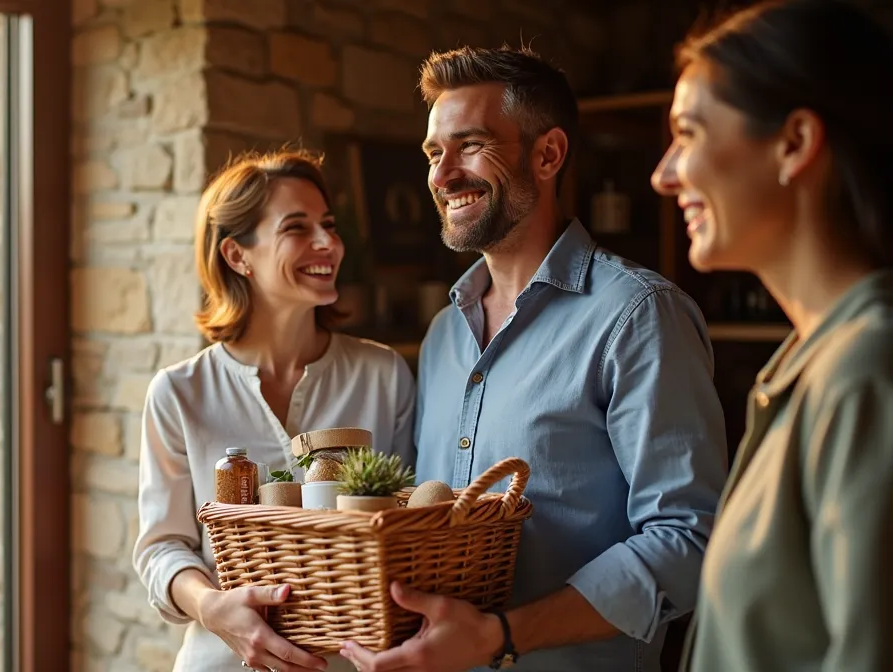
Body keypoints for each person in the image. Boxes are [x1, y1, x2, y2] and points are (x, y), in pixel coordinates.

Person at [340, 46, 730, 672]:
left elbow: (689, 538)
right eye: (434, 154)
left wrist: (500, 635)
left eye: (471, 145)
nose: (443, 176)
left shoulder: (637, 316)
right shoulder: (442, 336)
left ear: (547, 155)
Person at [648, 1, 893, 670]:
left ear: (795, 143)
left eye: (689, 133)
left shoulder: (865, 373)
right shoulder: (810, 362)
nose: (664, 175)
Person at [132, 148, 416, 672]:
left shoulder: (383, 375)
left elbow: (403, 524)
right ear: (237, 255)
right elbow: (162, 548)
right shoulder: (178, 393)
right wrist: (212, 607)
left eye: (329, 225)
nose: (328, 243)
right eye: (297, 228)